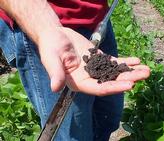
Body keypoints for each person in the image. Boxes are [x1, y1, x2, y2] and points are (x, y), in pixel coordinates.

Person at [0, 0, 150, 141]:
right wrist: (47, 28)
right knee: (72, 135)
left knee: (107, 119)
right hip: (41, 25)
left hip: (96, 17)